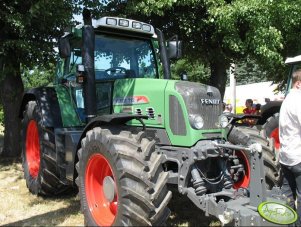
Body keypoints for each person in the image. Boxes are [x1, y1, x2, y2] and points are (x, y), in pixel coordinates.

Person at [279, 69, 301, 226]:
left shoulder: (287, 100)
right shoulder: (299, 101)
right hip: (298, 157)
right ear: (299, 84)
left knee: (287, 195)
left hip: (286, 157)